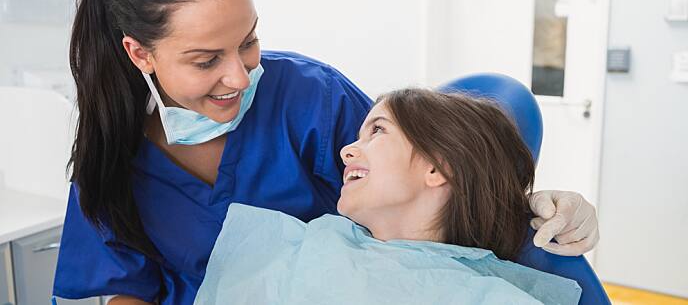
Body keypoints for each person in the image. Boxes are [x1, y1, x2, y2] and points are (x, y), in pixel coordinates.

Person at [52, 0, 600, 305]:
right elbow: (128, 287)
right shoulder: (112, 152)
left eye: (249, 42)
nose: (241, 78)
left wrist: (531, 207)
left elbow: (423, 184)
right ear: (140, 53)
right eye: (205, 60)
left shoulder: (308, 97)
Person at [194, 89, 582, 305]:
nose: (347, 150)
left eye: (376, 131)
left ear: (438, 168)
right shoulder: (298, 252)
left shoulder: (487, 298)